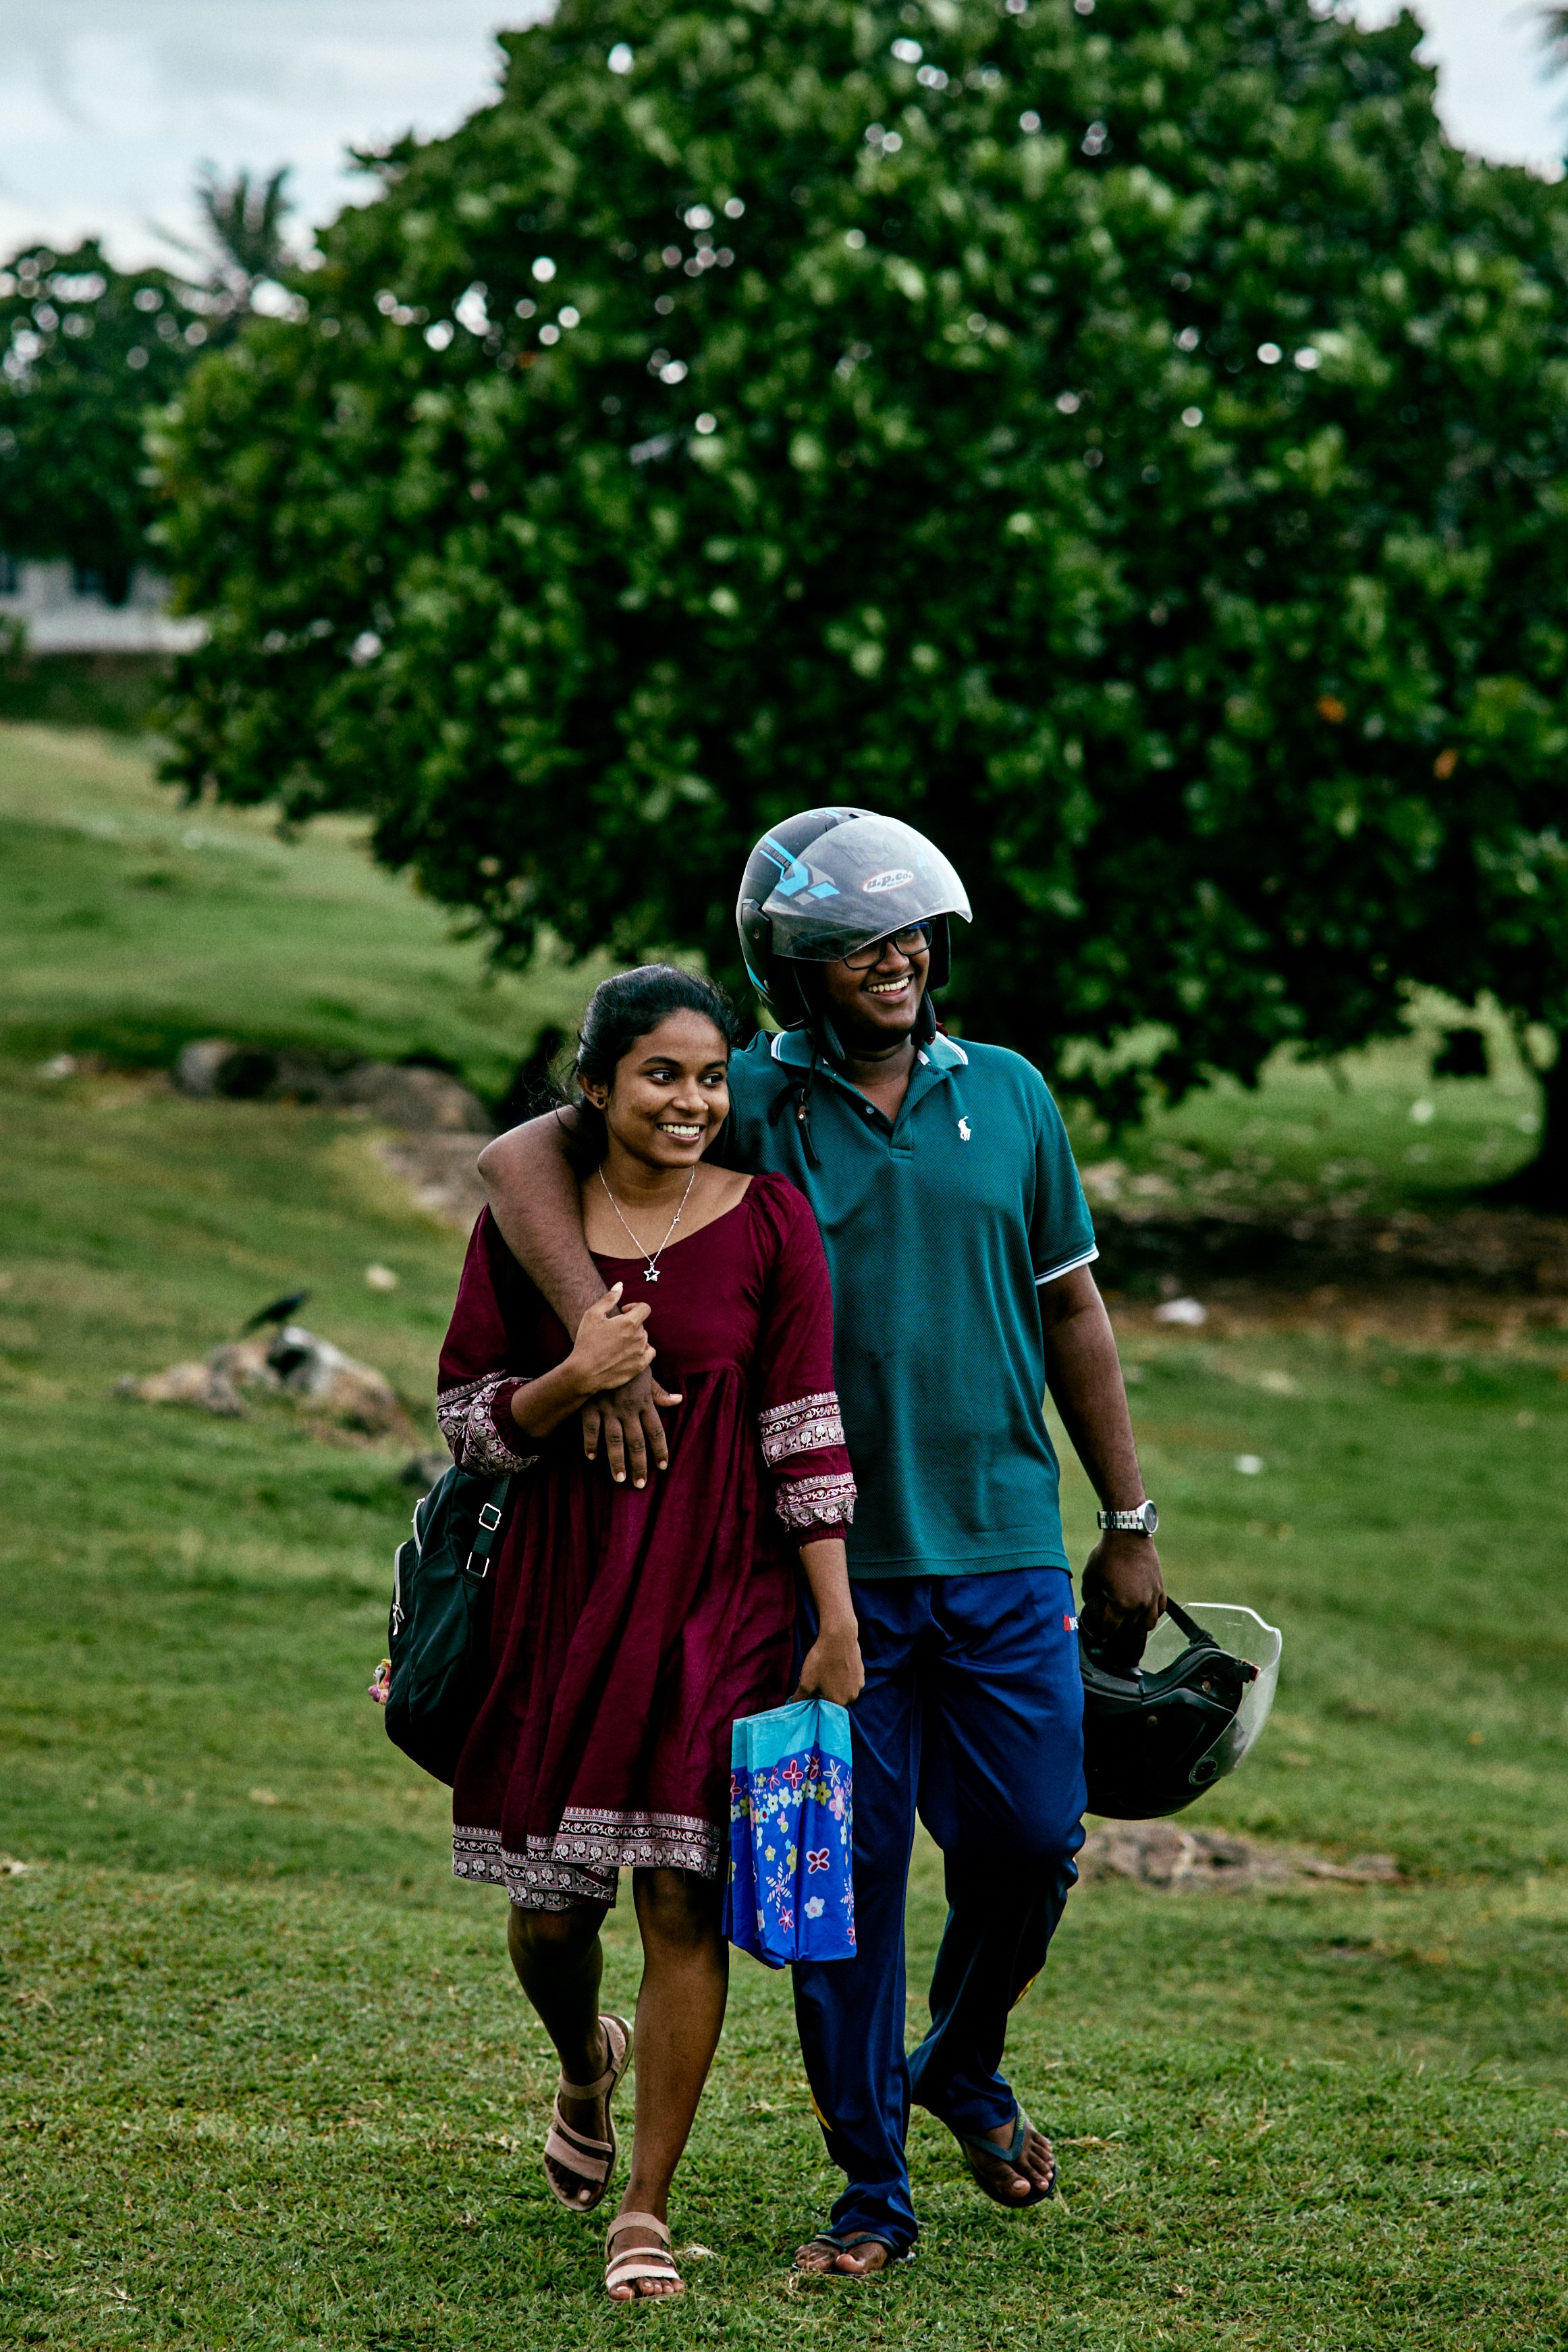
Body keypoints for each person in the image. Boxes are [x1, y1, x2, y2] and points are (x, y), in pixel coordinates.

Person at [476, 809, 1165, 2274]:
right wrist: (601, 1348)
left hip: (1000, 1550)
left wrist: (1127, 1519)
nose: (897, 957)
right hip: (807, 1574)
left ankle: (962, 2064)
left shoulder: (1017, 1097)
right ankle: (872, 2192)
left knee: (1034, 1841)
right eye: (857, 941)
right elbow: (527, 1151)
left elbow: (1072, 1311)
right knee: (834, 1896)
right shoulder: (755, 1096)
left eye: (909, 931)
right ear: (795, 967)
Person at [438, 963, 864, 2302]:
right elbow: (463, 1420)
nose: (692, 1099)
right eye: (661, 1074)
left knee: (685, 1897)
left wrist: (835, 1611)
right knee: (552, 1913)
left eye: (710, 1075)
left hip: (721, 1591)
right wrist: (578, 1375)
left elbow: (802, 1426)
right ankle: (583, 2063)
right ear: (596, 1088)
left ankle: (647, 2202)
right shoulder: (531, 1229)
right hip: (563, 1591)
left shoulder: (771, 1220)